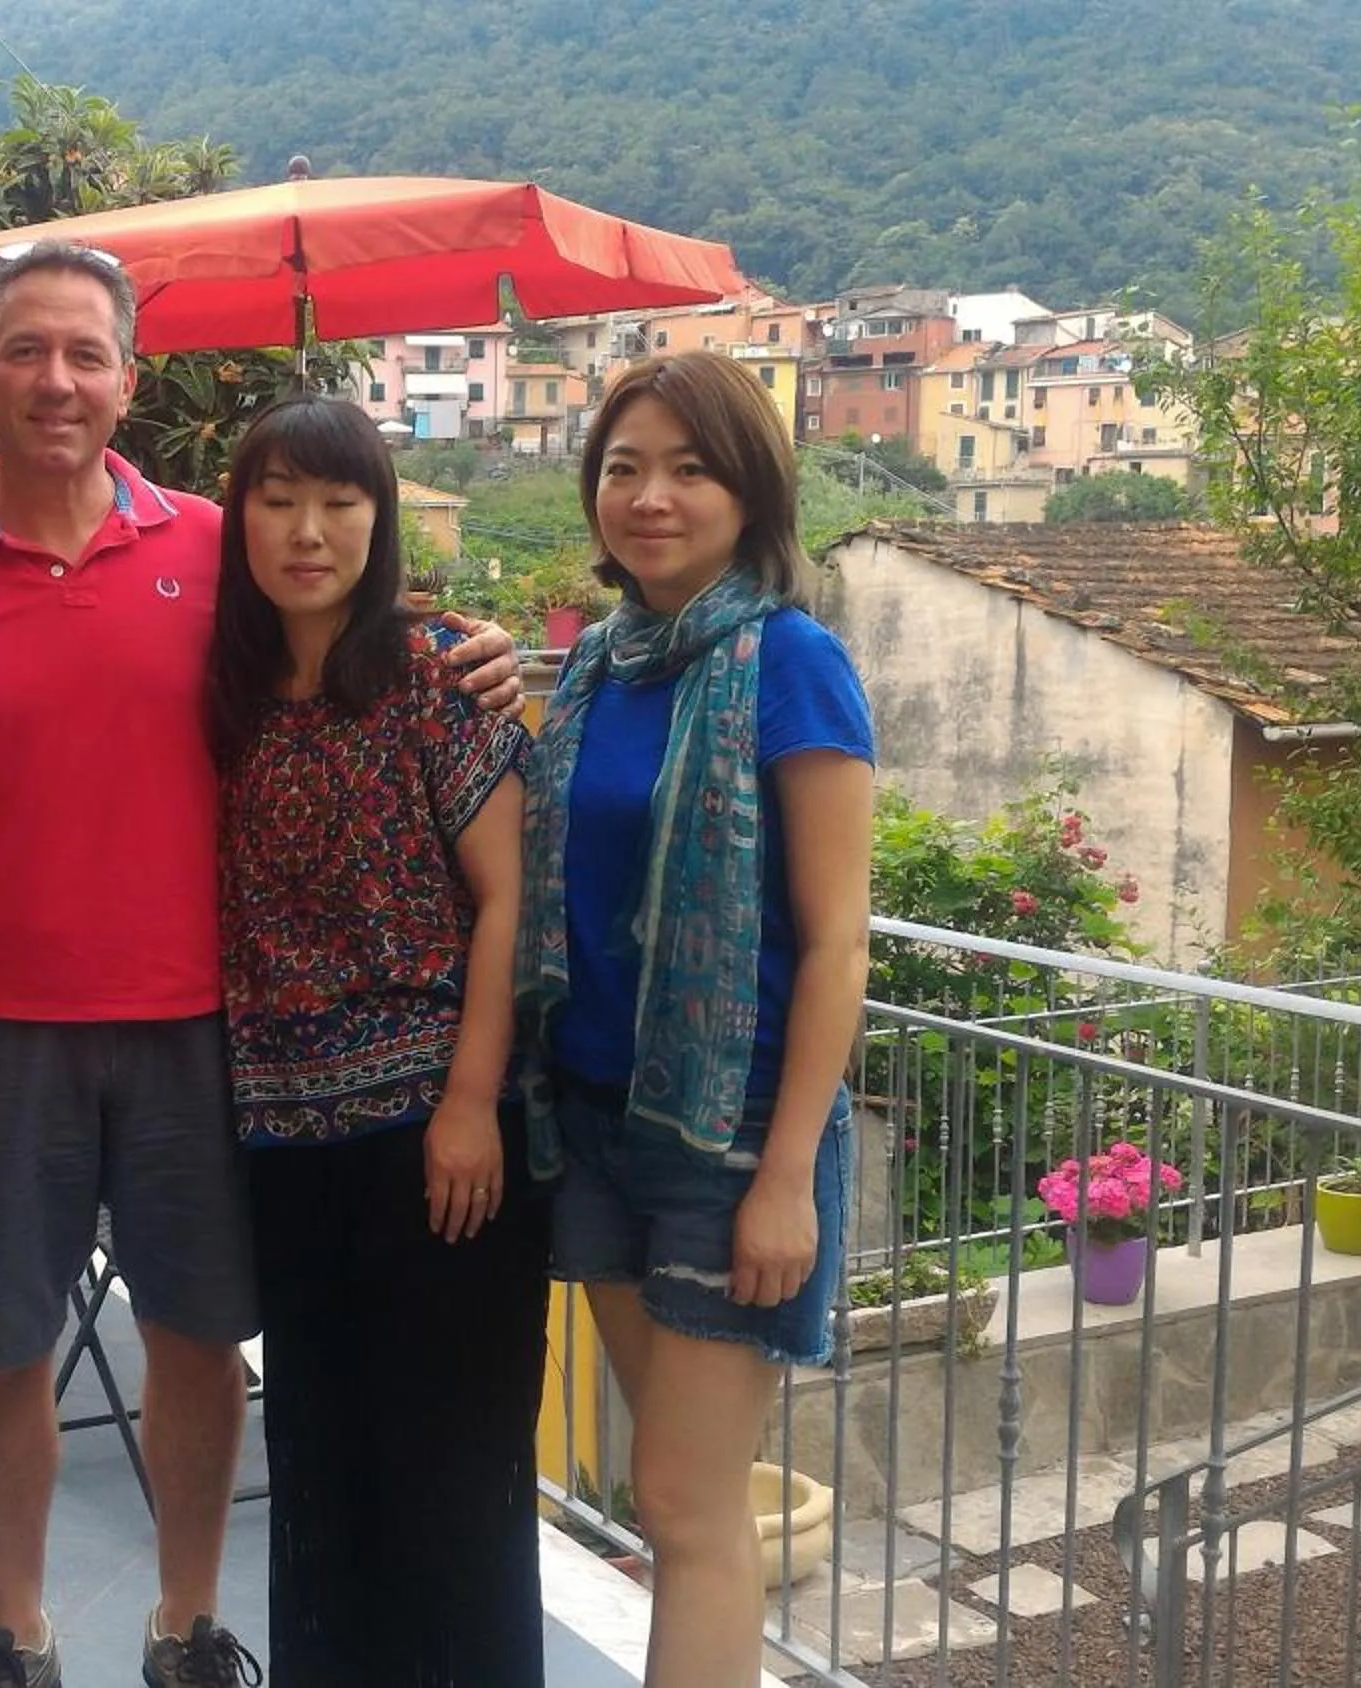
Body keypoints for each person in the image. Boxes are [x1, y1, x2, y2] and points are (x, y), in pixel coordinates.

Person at [0, 241, 518, 1688]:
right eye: (28, 349)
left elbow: (353, 627)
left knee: (200, 1339)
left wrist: (482, 650)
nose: (58, 380)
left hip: (204, 1031)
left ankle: (185, 1625)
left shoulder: (216, 544)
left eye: (88, 354)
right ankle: (15, 1632)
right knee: (6, 1342)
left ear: (130, 381)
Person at [516, 350, 874, 1688]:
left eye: (688, 467)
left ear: (749, 490)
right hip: (598, 1124)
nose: (650, 495)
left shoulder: (790, 662)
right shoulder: (595, 668)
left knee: (686, 1505)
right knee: (663, 1493)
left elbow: (840, 941)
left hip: (728, 1146)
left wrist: (788, 1179)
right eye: (623, 467)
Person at [204, 396, 548, 1687]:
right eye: (279, 499)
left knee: (452, 1486)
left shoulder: (436, 677)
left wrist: (469, 1101)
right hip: (285, 1140)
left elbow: (508, 895)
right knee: (321, 1476)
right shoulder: (223, 690)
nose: (308, 531)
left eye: (340, 502)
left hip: (435, 1139)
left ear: (380, 520)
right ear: (237, 518)